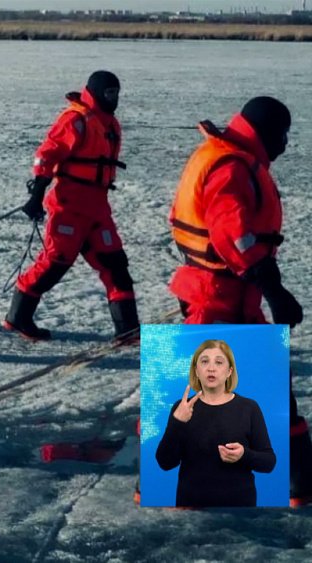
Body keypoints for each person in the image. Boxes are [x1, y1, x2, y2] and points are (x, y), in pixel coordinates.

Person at [167, 95, 311, 506]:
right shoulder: (231, 166)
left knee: (268, 383)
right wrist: (274, 290)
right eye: (282, 135)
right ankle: (177, 486)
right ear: (264, 132)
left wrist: (268, 285)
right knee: (200, 396)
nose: (285, 145)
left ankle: (301, 482)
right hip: (216, 298)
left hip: (227, 293)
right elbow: (235, 235)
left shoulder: (233, 156)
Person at [4, 70, 139, 342]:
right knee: (55, 262)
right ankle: (18, 317)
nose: (114, 98)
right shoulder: (76, 120)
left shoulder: (109, 123)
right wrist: (37, 194)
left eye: (116, 93)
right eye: (109, 93)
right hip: (70, 206)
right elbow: (47, 154)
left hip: (98, 208)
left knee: (115, 265)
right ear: (97, 92)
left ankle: (128, 330)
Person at [155, 340, 276, 507]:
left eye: (219, 362)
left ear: (229, 371)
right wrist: (178, 422)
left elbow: (269, 462)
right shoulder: (181, 408)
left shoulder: (249, 408)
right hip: (191, 510)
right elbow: (165, 463)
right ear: (196, 370)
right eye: (204, 362)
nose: (211, 368)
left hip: (239, 511)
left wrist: (244, 455)